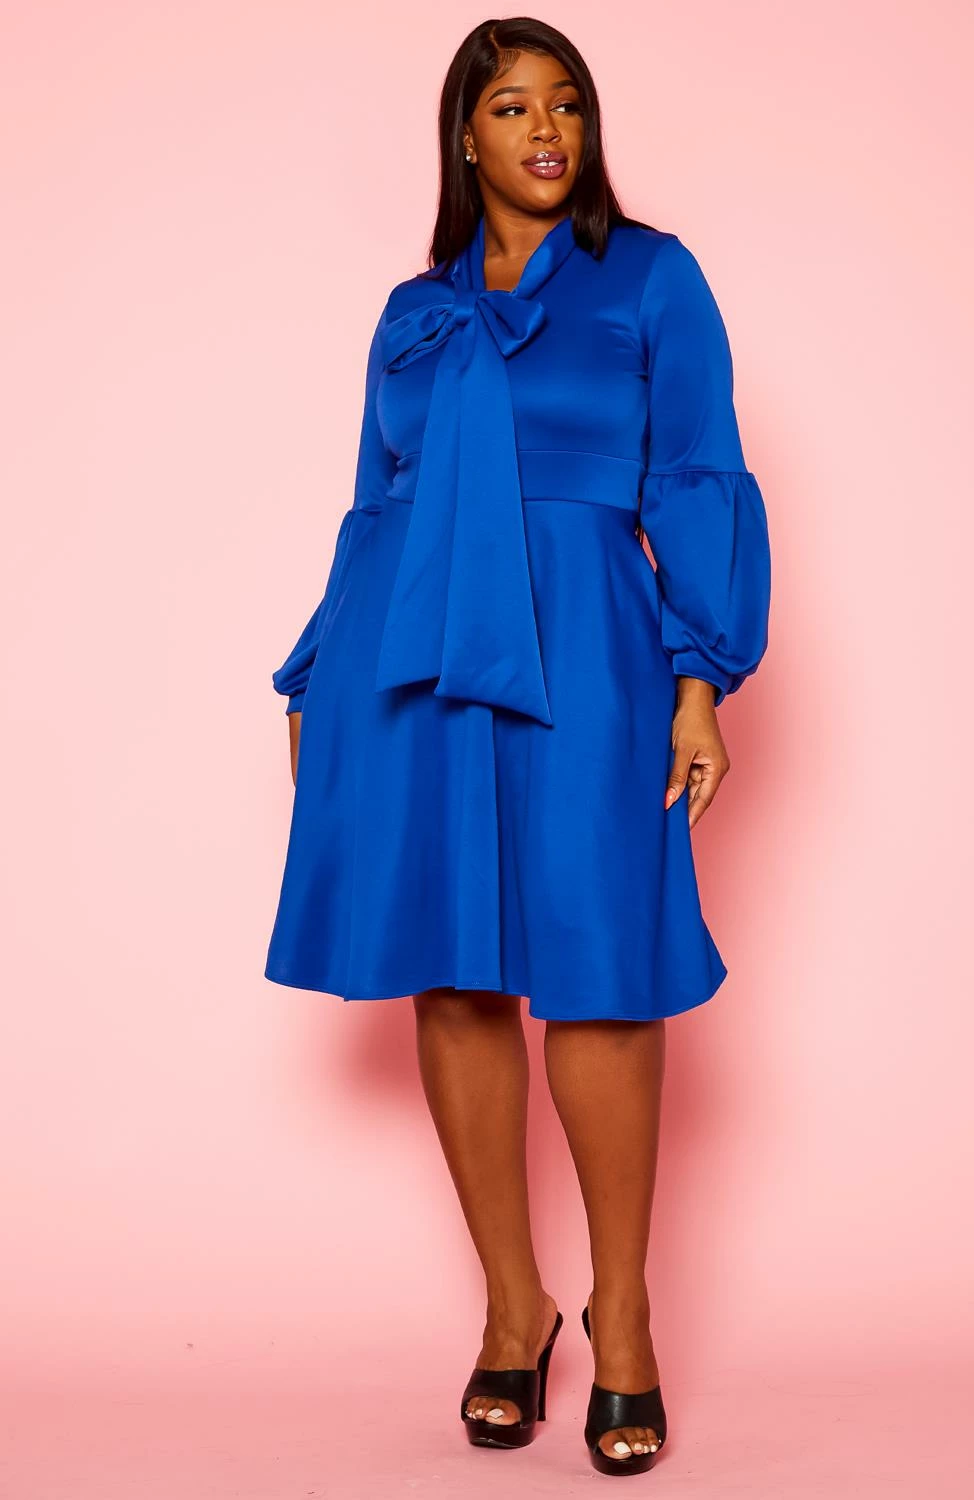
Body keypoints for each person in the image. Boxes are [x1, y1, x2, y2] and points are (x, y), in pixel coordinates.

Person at [264, 17, 771, 1476]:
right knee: (455, 972)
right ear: (464, 138)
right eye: (509, 106)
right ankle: (511, 1308)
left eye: (565, 103)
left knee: (602, 974)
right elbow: (377, 503)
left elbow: (699, 476)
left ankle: (626, 1318)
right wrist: (316, 676)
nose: (544, 129)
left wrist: (699, 681)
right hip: (414, 662)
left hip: (592, 657)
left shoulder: (652, 279)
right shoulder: (413, 312)